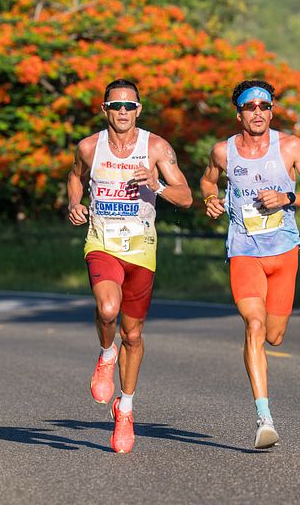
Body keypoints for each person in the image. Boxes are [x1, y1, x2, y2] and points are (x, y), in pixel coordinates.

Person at [67, 79, 192, 453]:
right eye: (115, 105)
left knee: (134, 336)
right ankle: (106, 356)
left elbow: (186, 196)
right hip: (102, 243)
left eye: (129, 106)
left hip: (142, 249)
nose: (123, 112)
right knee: (108, 310)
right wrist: (74, 204)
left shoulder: (156, 147)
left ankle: (126, 409)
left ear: (139, 109)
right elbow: (75, 176)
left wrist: (158, 184)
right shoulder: (89, 147)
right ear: (104, 109)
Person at [200, 80, 300, 448]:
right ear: (238, 113)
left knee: (274, 335)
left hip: (284, 251)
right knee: (254, 325)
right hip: (244, 252)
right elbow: (208, 182)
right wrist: (210, 199)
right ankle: (264, 418)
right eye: (251, 106)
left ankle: (264, 407)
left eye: (265, 106)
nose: (259, 112)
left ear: (271, 111)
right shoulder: (223, 152)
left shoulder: (290, 146)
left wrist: (287, 197)